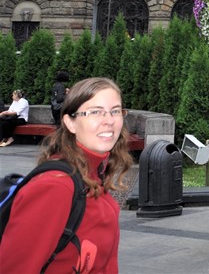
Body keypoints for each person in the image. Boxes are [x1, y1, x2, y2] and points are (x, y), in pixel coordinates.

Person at [0, 77, 133, 272]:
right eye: (95, 112)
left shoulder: (94, 174)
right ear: (70, 122)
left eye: (115, 111)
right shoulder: (55, 186)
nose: (109, 120)